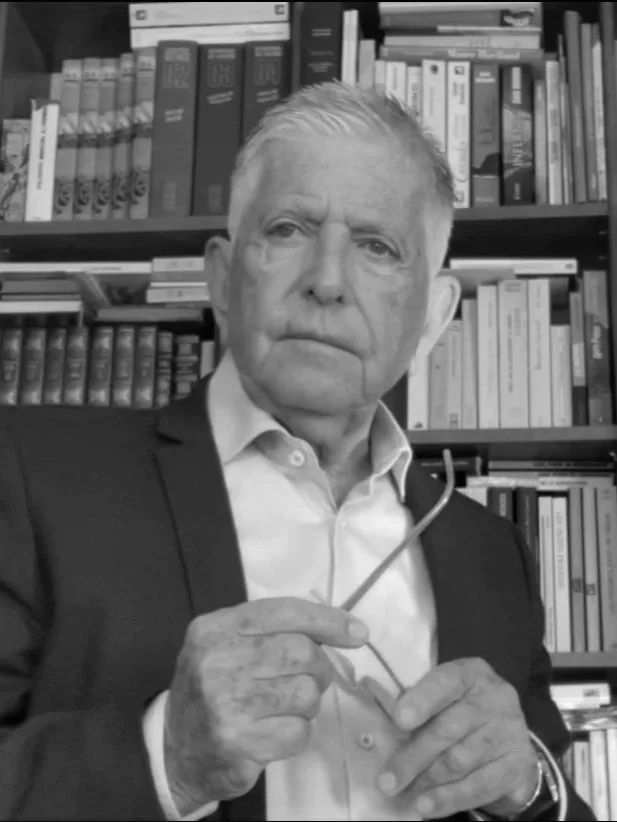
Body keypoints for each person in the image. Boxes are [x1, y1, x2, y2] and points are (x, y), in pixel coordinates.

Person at [0, 81, 594, 822]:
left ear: (434, 315)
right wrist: (166, 759)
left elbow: (548, 800)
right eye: (287, 229)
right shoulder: (32, 476)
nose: (326, 281)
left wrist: (530, 789)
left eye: (377, 247)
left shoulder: (492, 552)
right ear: (222, 277)